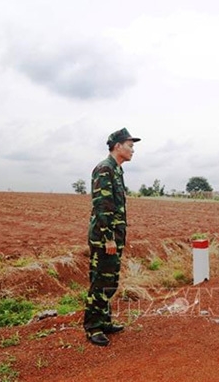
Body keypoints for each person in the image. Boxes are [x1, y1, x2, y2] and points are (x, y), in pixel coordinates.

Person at [84, 127, 140, 346]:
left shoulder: (117, 169)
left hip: (114, 237)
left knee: (110, 281)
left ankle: (104, 321)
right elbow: (102, 206)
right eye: (130, 145)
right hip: (104, 237)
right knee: (100, 282)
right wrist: (108, 237)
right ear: (118, 146)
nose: (133, 150)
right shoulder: (104, 169)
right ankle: (93, 327)